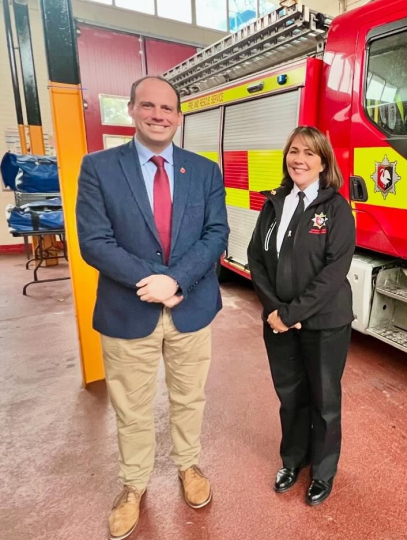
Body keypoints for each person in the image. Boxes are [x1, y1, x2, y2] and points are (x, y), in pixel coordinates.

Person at [76, 75, 229, 539]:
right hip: (128, 310)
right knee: (132, 407)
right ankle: (133, 485)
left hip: (191, 307)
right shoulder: (98, 167)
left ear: (179, 116)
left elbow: (216, 235)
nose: (159, 115)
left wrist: (175, 280)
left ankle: (188, 466)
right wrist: (153, 281)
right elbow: (94, 242)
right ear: (132, 110)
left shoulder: (203, 171)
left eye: (168, 108)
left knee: (189, 397)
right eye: (149, 106)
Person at [247, 126, 355, 506]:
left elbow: (333, 272)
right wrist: (275, 310)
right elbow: (256, 258)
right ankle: (293, 461)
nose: (299, 159)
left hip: (325, 323)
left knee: (324, 400)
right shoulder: (274, 202)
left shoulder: (336, 208)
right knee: (290, 396)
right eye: (294, 151)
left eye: (309, 153)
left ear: (323, 162)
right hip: (279, 322)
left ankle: (323, 472)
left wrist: (292, 312)